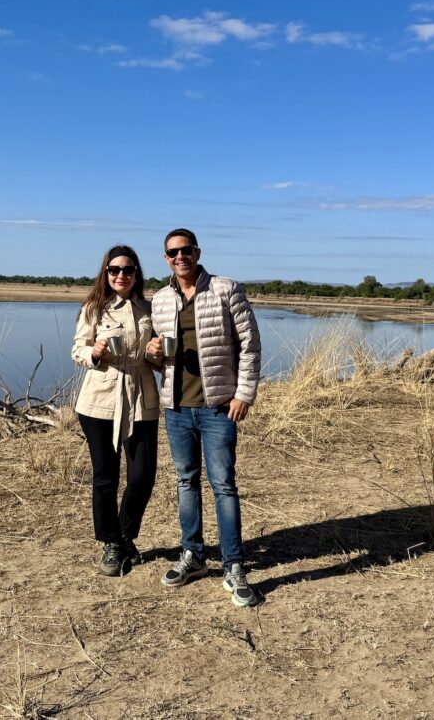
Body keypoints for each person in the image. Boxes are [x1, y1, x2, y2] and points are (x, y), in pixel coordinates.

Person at [146, 228, 262, 607]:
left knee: (224, 485)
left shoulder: (226, 289)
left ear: (197, 252)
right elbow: (157, 358)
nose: (180, 257)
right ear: (165, 258)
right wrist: (151, 352)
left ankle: (233, 565)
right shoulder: (161, 299)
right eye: (172, 252)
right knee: (185, 481)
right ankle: (193, 555)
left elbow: (250, 344)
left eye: (186, 250)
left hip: (217, 408)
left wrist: (244, 393)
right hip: (177, 408)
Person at [71, 245, 160, 576]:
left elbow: (158, 358)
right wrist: (93, 351)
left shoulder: (149, 309)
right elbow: (77, 350)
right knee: (105, 477)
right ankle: (111, 543)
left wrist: (157, 354)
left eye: (128, 269)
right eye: (114, 270)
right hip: (100, 400)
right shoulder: (94, 309)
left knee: (142, 477)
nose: (121, 275)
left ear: (137, 274)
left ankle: (125, 534)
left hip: (142, 399)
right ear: (105, 273)